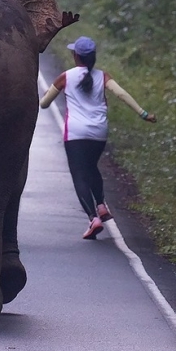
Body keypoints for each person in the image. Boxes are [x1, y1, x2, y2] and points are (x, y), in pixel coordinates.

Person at [39, 35, 156, 239]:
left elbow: (44, 104)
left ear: (76, 56)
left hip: (75, 133)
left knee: (79, 174)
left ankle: (93, 219)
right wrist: (143, 113)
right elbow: (121, 94)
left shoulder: (66, 77)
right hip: (99, 132)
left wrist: (48, 96)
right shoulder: (103, 77)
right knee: (91, 167)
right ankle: (101, 205)